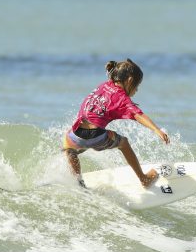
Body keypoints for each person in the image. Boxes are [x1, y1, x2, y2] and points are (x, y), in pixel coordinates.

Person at [62, 59, 170, 188]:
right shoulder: (121, 98)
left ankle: (78, 183)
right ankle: (144, 179)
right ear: (130, 80)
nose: (136, 90)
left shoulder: (103, 85)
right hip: (96, 136)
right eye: (137, 86)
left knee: (70, 150)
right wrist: (156, 129)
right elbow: (138, 115)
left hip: (76, 134)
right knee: (123, 143)